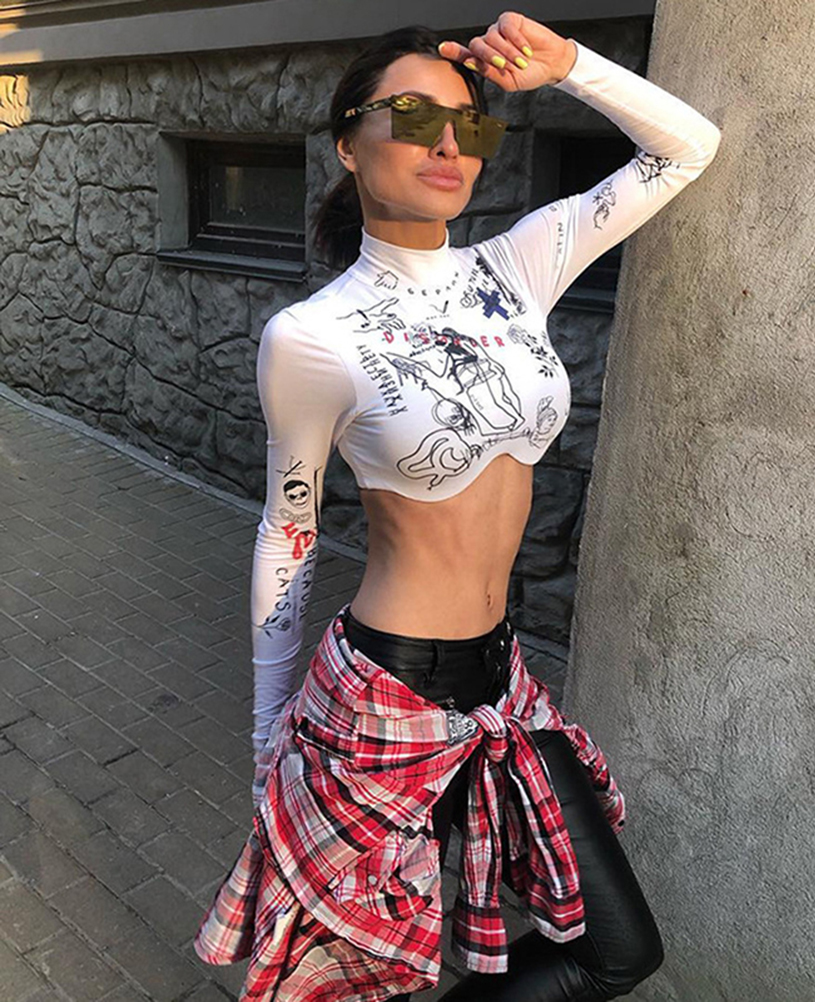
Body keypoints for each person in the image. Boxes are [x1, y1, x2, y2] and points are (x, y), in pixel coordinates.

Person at [194, 11, 721, 1001]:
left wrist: (569, 66)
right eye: (411, 116)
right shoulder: (312, 336)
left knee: (615, 949)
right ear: (347, 143)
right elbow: (289, 531)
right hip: (384, 693)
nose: (447, 143)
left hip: (501, 685)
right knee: (365, 970)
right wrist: (267, 740)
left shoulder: (518, 265)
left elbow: (687, 148)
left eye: (470, 124)